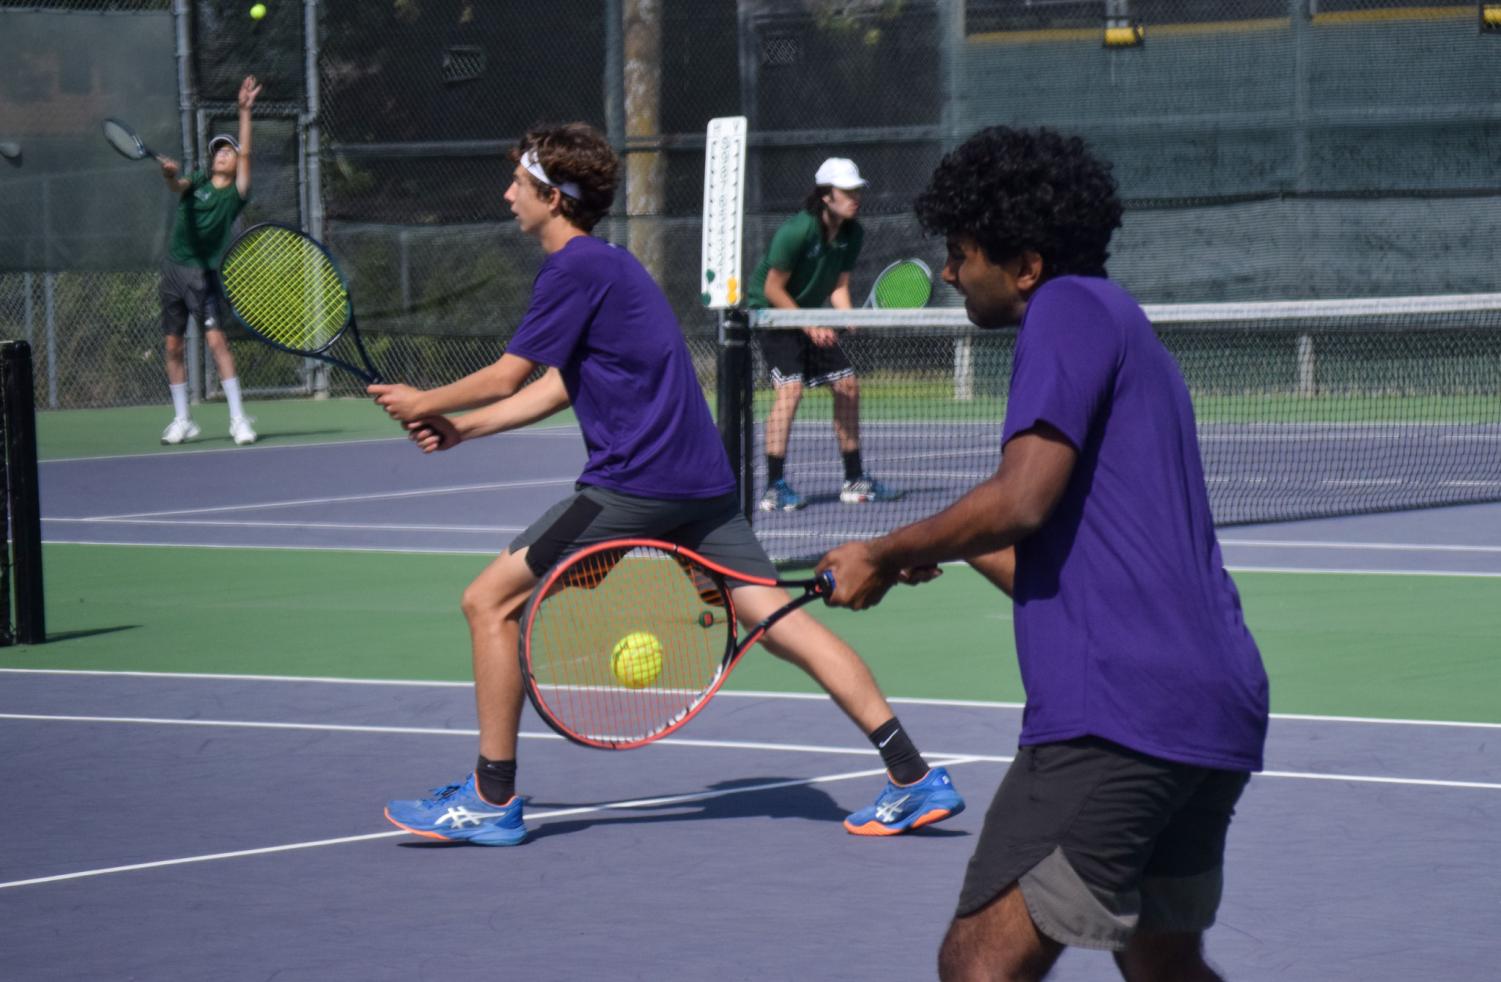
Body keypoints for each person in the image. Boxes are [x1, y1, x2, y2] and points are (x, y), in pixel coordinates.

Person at [368, 123, 963, 846]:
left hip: (634, 486)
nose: (506, 196)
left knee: (486, 602)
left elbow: (507, 373)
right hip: (701, 488)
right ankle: (912, 773)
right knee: (776, 622)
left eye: (518, 186)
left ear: (552, 199)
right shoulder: (613, 268)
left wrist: (425, 401)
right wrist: (465, 429)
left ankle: (491, 800)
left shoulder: (572, 268)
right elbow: (559, 384)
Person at [817, 127, 1270, 981]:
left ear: (1025, 265)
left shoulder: (1062, 310)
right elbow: (1062, 556)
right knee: (1164, 963)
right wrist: (943, 552)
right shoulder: (1123, 322)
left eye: (961, 252)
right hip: (1213, 710)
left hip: (1118, 716)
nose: (948, 272)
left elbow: (1020, 498)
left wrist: (879, 550)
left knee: (979, 965)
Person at [745, 157, 902, 511]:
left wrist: (846, 316)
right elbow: (772, 289)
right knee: (791, 389)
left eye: (856, 190)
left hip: (808, 314)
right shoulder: (797, 231)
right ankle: (775, 486)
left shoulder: (853, 233)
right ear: (826, 196)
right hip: (771, 315)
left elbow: (839, 285)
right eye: (846, 191)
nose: (854, 197)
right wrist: (811, 325)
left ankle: (854, 479)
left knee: (847, 385)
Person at [156, 75, 260, 446]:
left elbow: (246, 155)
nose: (222, 154)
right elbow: (177, 186)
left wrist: (244, 112)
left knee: (217, 344)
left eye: (228, 152)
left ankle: (238, 420)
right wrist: (170, 175)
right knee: (172, 346)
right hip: (174, 272)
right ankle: (183, 419)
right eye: (219, 150)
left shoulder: (236, 195)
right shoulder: (197, 181)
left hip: (203, 277)